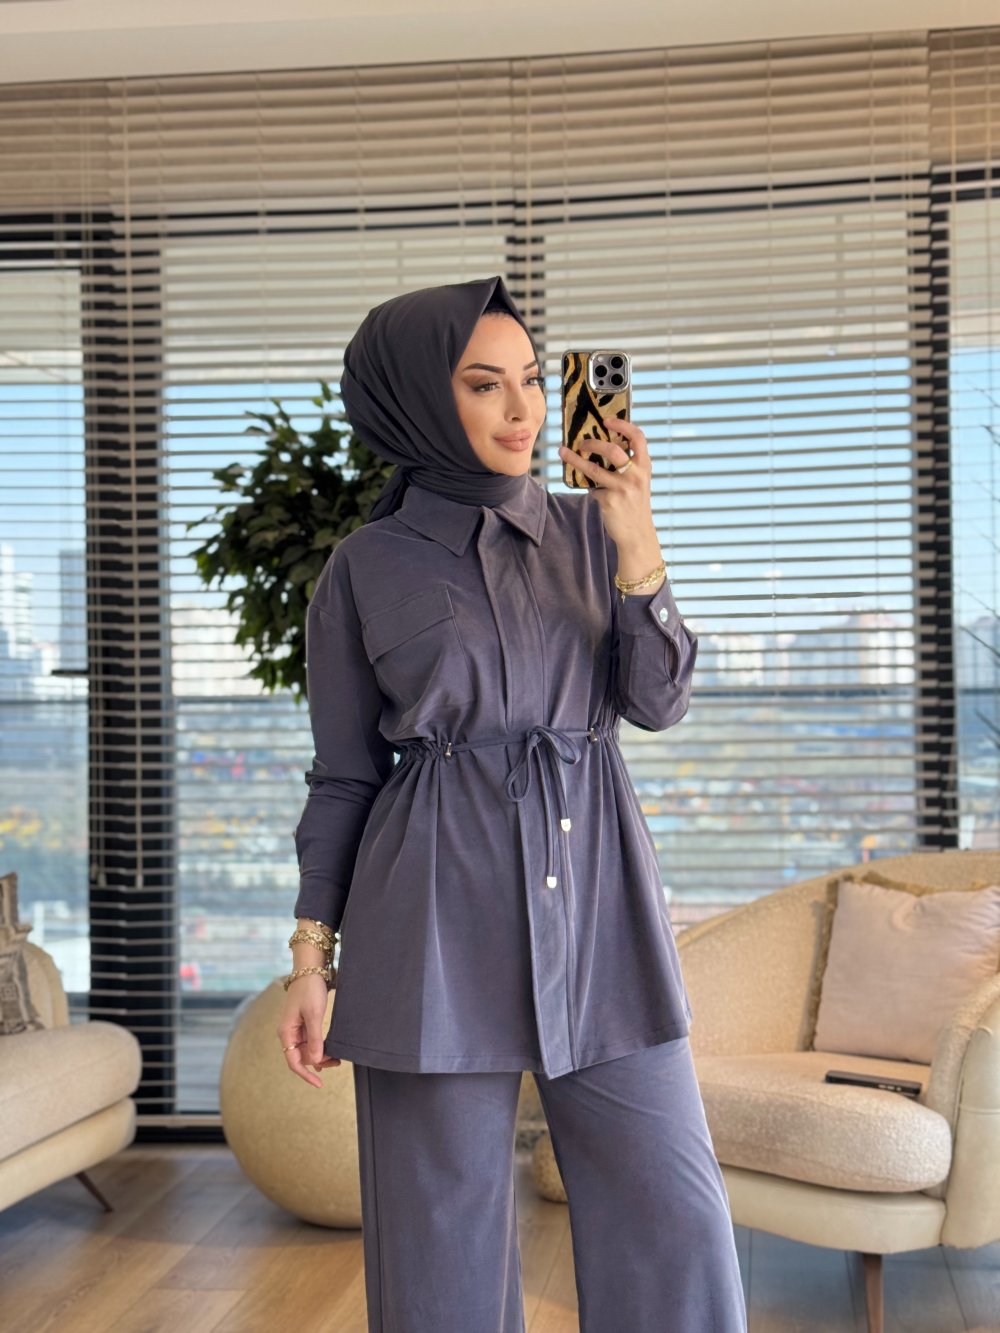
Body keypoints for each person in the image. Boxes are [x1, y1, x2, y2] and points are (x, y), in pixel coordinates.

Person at [277, 275, 747, 1333]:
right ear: (417, 399)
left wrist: (636, 538)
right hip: (429, 924)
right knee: (440, 1249)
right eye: (483, 384)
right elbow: (345, 774)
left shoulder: (594, 532)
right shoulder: (363, 569)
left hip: (600, 914)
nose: (523, 408)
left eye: (532, 379)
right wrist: (312, 958)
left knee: (673, 1216)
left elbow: (658, 701)